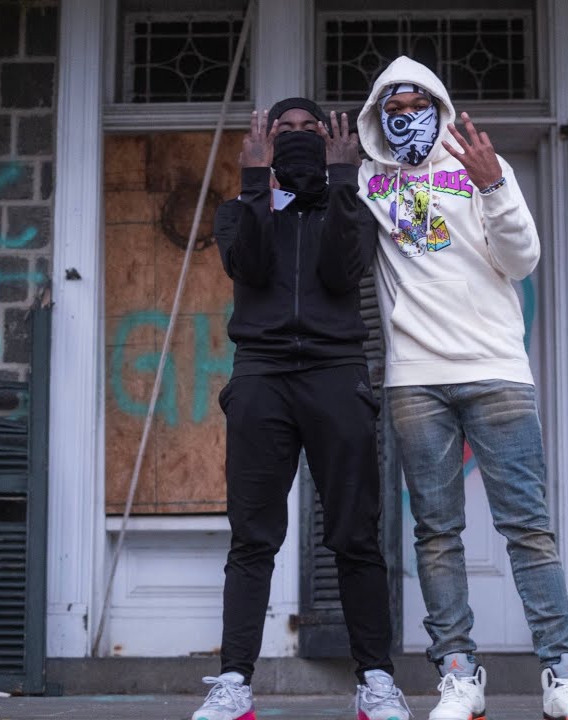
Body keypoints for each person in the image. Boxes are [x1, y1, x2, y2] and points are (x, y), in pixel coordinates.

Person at [354, 57, 568, 720]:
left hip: (496, 369)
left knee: (527, 527)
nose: (406, 116)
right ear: (376, 116)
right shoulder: (367, 179)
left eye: (418, 104)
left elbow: (521, 260)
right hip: (416, 379)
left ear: (439, 106)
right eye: (393, 107)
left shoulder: (479, 169)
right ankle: (459, 675)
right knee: (436, 533)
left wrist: (494, 184)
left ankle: (565, 676)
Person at [191, 98, 410, 720]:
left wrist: (343, 180)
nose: (294, 136)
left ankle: (376, 682)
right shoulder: (238, 209)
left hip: (336, 373)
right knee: (252, 536)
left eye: (307, 129)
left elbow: (343, 274)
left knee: (355, 535)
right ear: (262, 140)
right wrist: (255, 184)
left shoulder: (352, 205)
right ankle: (234, 684)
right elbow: (250, 267)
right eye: (281, 129)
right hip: (261, 376)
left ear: (329, 137)